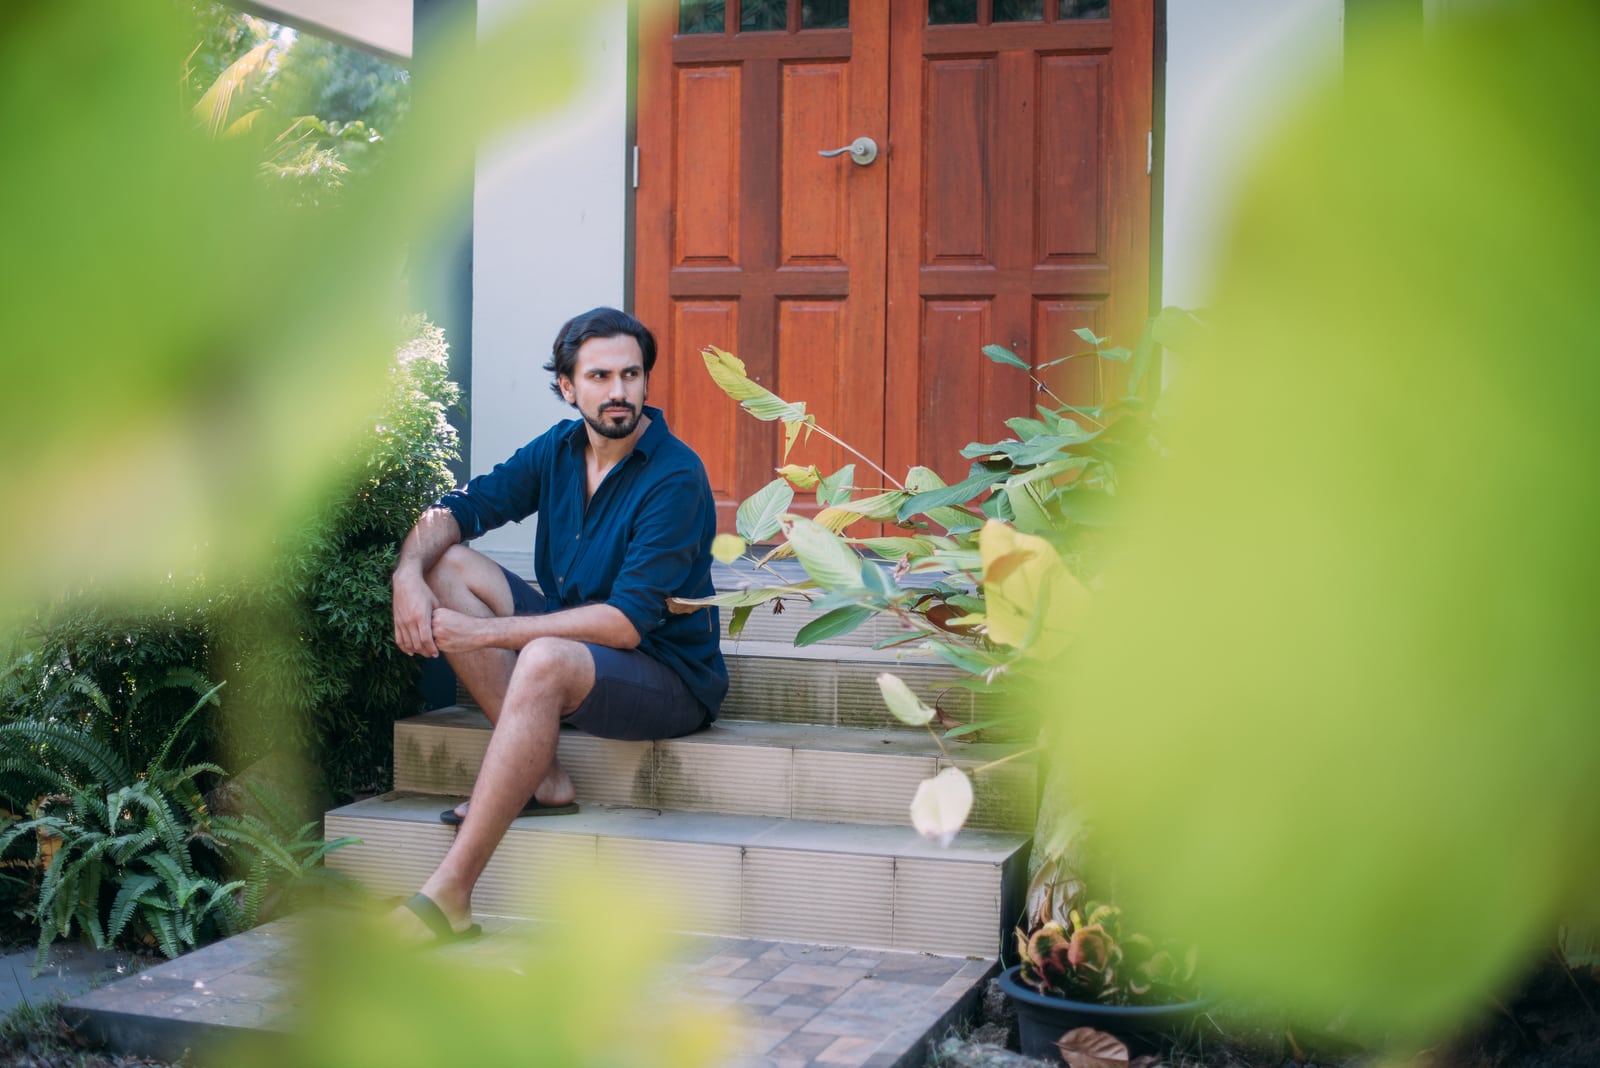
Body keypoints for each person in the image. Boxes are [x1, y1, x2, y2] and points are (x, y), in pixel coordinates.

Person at [386, 306, 726, 944]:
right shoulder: (560, 449)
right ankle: (541, 775)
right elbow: (459, 507)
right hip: (576, 647)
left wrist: (485, 634)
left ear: (647, 382)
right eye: (599, 376)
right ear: (569, 387)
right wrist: (406, 573)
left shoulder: (676, 476)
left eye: (631, 374)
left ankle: (449, 897)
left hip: (666, 675)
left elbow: (626, 624)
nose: (619, 391)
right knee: (446, 563)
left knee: (544, 657)